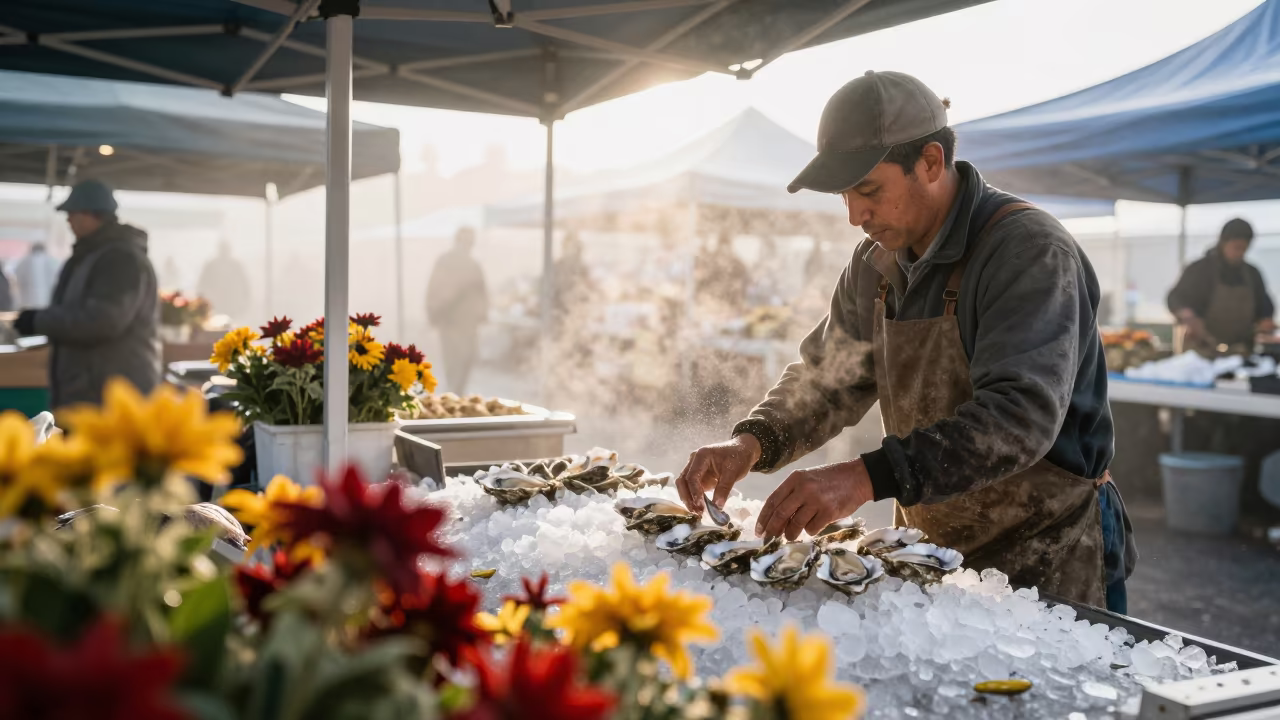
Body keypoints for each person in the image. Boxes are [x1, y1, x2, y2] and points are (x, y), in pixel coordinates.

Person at [675, 71, 1135, 612]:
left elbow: (1021, 417)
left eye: (868, 190)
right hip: (932, 546)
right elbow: (828, 379)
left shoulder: (1028, 251)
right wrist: (752, 440)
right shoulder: (875, 262)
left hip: (1049, 549)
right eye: (846, 195)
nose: (854, 215)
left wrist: (866, 476)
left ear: (932, 162)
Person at [13, 179, 159, 408]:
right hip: (91, 390)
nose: (69, 220)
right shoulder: (93, 256)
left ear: (92, 214)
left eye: (72, 213)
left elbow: (103, 320)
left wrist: (39, 321)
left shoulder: (120, 259)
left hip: (112, 398)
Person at [1168, 218, 1276, 355]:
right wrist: (1186, 314)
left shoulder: (1252, 274)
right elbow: (1175, 298)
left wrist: (1265, 319)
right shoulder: (1199, 270)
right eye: (1236, 247)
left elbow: (1264, 305)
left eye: (1244, 248)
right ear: (1223, 242)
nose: (1239, 253)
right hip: (1200, 349)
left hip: (1240, 350)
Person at [427, 226, 489, 393]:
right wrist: (433, 314)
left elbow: (481, 293)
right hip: (450, 322)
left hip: (467, 323)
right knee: (453, 362)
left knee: (466, 360)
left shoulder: (473, 265)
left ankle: (458, 393)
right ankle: (454, 394)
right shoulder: (445, 262)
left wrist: (481, 315)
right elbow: (434, 289)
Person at [694, 232, 748, 317]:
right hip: (712, 306)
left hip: (729, 307)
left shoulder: (737, 264)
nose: (724, 251)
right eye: (722, 248)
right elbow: (703, 282)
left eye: (726, 248)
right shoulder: (712, 263)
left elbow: (741, 285)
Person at [197, 240, 252, 322]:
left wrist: (245, 299)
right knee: (217, 324)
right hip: (216, 301)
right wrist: (201, 298)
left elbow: (244, 284)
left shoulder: (235, 265)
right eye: (223, 249)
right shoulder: (212, 265)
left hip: (231, 301)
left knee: (230, 325)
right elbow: (203, 283)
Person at [13, 242, 62, 309]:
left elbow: (18, 279)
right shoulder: (53, 261)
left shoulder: (24, 262)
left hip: (27, 301)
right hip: (48, 302)